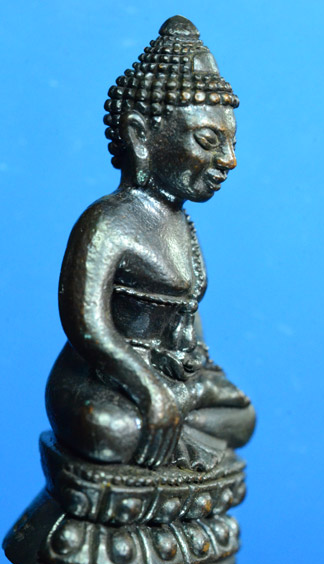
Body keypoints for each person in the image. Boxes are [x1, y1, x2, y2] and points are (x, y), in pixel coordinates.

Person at [46, 15, 255, 471]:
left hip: (172, 372)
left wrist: (197, 372)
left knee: (242, 419)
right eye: (208, 140)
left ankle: (183, 404)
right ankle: (175, 410)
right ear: (141, 135)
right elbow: (87, 326)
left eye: (231, 143)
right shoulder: (108, 221)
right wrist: (147, 388)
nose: (229, 160)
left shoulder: (181, 223)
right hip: (106, 378)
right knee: (109, 430)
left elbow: (187, 313)